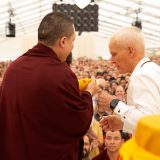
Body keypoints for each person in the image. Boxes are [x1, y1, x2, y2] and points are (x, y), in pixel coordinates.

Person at [0, 12, 98, 160]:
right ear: (63, 41)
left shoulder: (13, 69)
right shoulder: (61, 74)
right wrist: (89, 92)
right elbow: (78, 121)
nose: (73, 46)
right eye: (73, 41)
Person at [98, 26, 160, 133]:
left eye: (114, 54)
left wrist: (114, 103)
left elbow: (150, 123)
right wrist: (123, 124)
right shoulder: (149, 70)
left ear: (131, 51)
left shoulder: (142, 75)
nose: (111, 60)